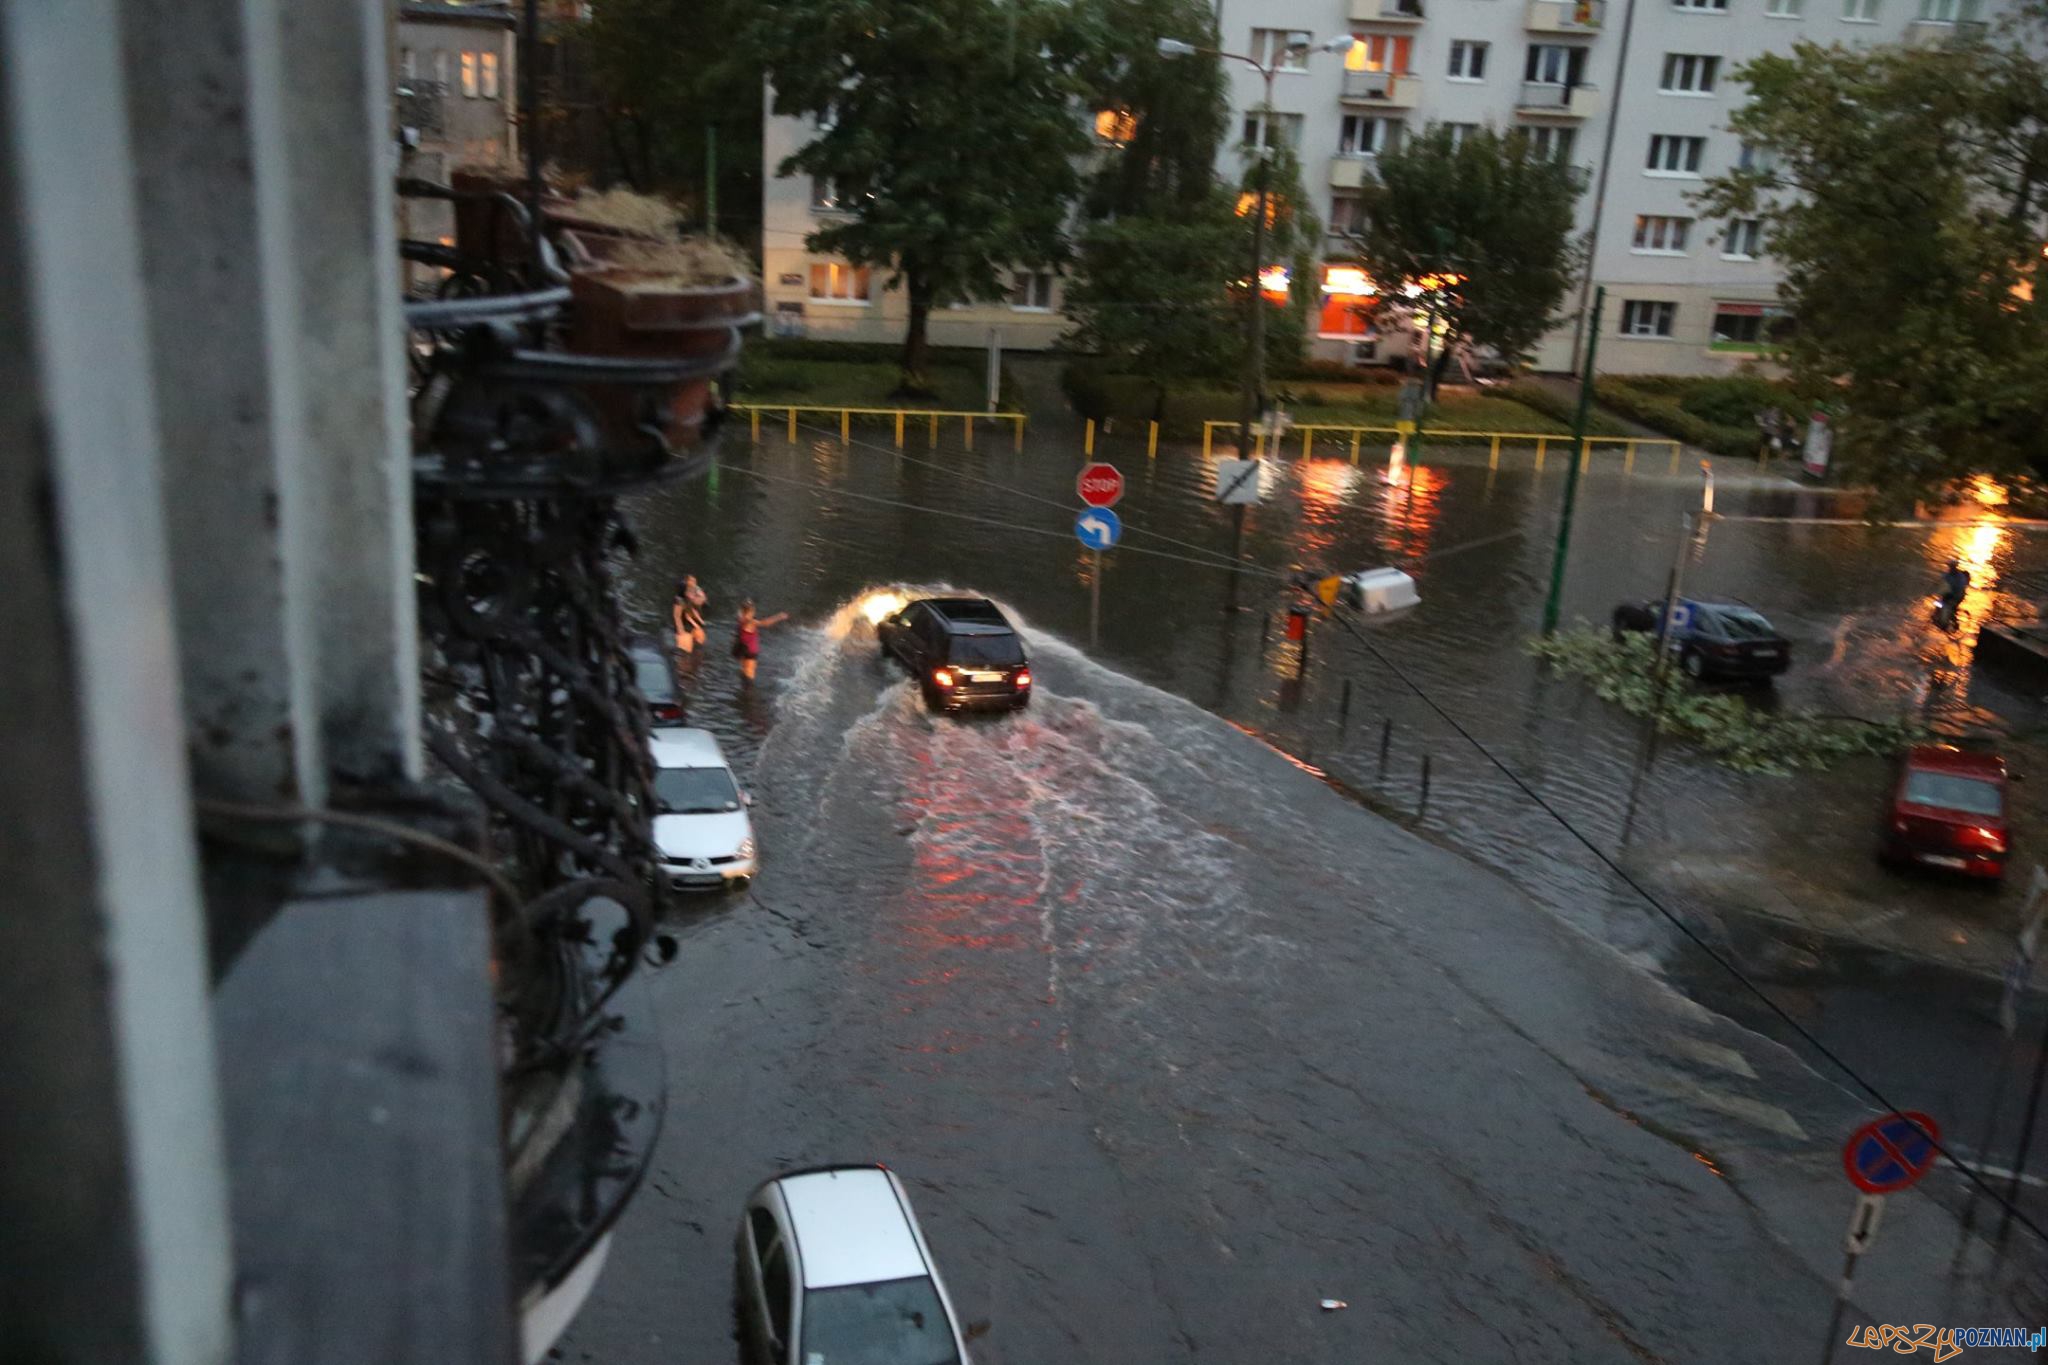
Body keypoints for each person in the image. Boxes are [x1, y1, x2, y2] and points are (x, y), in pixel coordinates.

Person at [731, 600, 788, 684]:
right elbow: (765, 623)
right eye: (753, 611)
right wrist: (778, 616)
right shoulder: (750, 622)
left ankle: (744, 687)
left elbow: (738, 634)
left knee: (744, 670)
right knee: (749, 673)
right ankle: (748, 692)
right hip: (750, 651)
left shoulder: (740, 621)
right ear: (751, 612)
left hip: (742, 649)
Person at [672, 575, 707, 656]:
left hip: (692, 625)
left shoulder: (694, 592)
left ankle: (695, 658)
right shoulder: (679, 599)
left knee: (700, 645)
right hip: (684, 628)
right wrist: (681, 631)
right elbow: (676, 616)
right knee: (685, 650)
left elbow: (696, 606)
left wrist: (698, 623)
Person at [1936, 558, 1970, 629]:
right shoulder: (1947, 574)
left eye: (1951, 566)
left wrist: (1954, 597)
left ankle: (1954, 623)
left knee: (1951, 607)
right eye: (1950, 566)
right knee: (1940, 603)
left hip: (1957, 595)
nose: (1950, 567)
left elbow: (1960, 589)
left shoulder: (1960, 577)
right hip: (1950, 592)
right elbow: (1941, 582)